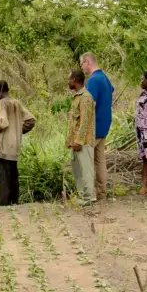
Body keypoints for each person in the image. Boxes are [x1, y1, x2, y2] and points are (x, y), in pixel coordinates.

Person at [0, 80, 36, 206]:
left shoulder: (2, 103)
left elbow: (2, 123)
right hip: (14, 145)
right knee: (13, 174)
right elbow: (31, 120)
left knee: (3, 175)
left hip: (3, 146)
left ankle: (4, 204)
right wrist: (18, 131)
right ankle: (14, 202)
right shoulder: (16, 102)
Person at [81, 53, 114, 201]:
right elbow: (111, 90)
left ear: (88, 62)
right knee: (100, 160)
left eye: (82, 64)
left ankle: (89, 194)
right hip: (105, 123)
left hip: (94, 126)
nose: (82, 67)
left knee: (86, 160)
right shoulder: (105, 77)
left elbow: (90, 104)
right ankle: (101, 193)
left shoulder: (93, 80)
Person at [66, 69, 97, 208]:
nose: (68, 82)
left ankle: (87, 198)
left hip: (83, 142)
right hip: (76, 142)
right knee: (77, 170)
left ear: (74, 80)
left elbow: (85, 122)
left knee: (86, 170)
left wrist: (79, 141)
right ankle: (82, 196)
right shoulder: (78, 96)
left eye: (69, 79)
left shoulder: (85, 97)